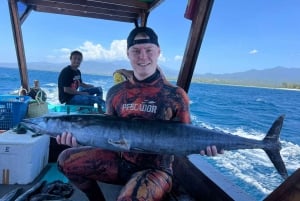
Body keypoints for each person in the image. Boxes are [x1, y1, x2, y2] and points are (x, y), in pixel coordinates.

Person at [56, 27, 222, 201]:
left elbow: (187, 137)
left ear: (158, 52)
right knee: (65, 160)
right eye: (136, 51)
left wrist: (204, 147)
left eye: (149, 50)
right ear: (128, 54)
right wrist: (79, 138)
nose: (143, 56)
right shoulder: (115, 92)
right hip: (118, 160)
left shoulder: (176, 95)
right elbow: (107, 133)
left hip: (156, 170)